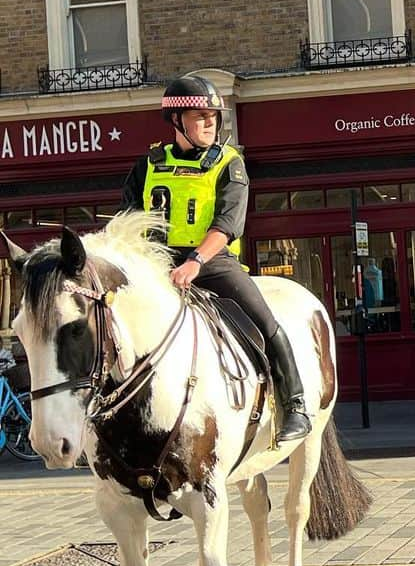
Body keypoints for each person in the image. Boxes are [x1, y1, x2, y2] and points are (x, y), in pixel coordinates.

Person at [120, 73, 312, 441]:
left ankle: (296, 404)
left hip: (212, 263)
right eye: (200, 117)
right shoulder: (146, 166)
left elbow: (227, 223)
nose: (210, 123)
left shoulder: (230, 163)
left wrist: (194, 262)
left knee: (265, 321)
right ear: (177, 121)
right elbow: (129, 220)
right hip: (157, 268)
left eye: (213, 117)